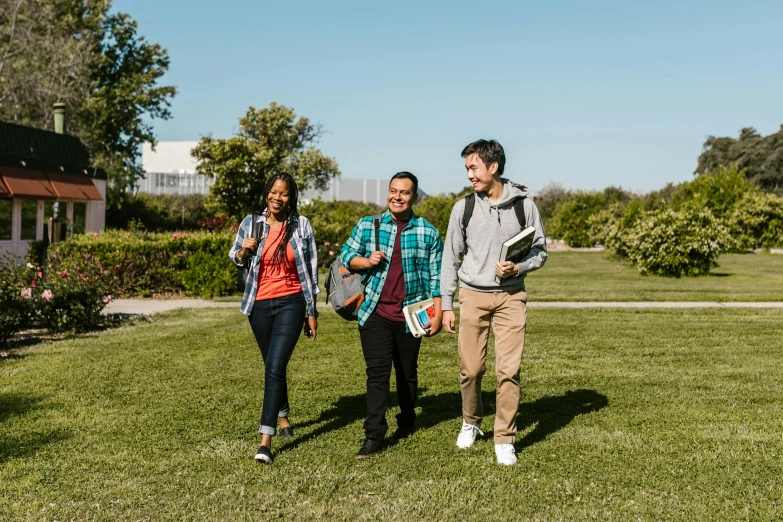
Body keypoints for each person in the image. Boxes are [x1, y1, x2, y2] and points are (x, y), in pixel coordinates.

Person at [441, 139, 548, 466]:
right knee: (471, 370)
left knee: (508, 370)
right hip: (472, 296)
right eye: (467, 169)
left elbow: (540, 251)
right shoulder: (464, 207)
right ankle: (471, 421)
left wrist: (519, 266)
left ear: (493, 167)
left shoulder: (524, 206)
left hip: (512, 297)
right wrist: (447, 302)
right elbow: (451, 257)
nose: (469, 175)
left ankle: (505, 437)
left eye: (473, 168)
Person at [340, 171, 444, 459]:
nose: (397, 197)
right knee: (377, 374)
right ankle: (374, 434)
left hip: (413, 314)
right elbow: (346, 254)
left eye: (405, 192)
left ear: (415, 197)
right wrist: (366, 260)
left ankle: (408, 419)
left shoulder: (428, 232)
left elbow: (437, 277)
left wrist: (438, 312)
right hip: (375, 311)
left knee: (407, 373)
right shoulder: (367, 225)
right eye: (393, 191)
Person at [229, 173, 319, 465]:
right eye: (273, 192)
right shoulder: (251, 223)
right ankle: (283, 418)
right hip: (259, 305)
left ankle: (265, 441)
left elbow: (312, 271)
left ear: (290, 197)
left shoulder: (301, 225)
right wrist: (245, 250)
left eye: (283, 194)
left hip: (291, 302)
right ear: (266, 193)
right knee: (272, 367)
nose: (277, 198)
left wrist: (312, 311)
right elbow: (236, 256)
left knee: (275, 366)